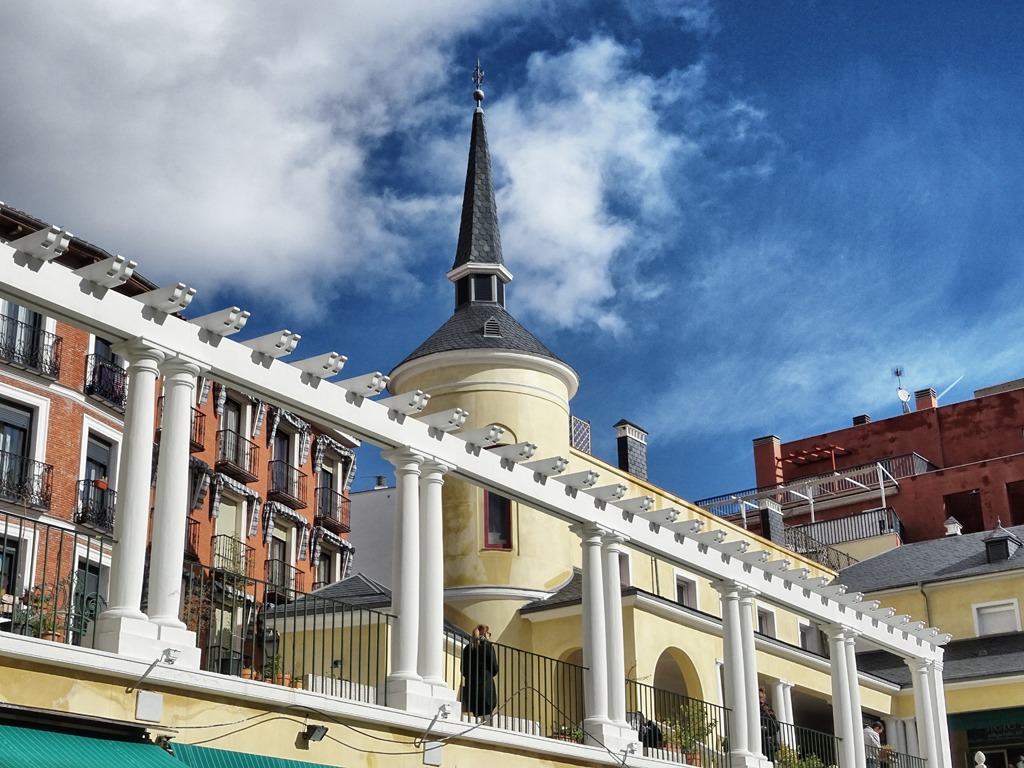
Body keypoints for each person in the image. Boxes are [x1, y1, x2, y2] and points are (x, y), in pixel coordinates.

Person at [461, 624, 498, 719]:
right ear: (485, 634)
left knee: (476, 710)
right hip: (485, 683)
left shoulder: (467, 648)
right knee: (487, 709)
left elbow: (463, 669)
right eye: (489, 633)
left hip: (471, 685)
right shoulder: (488, 646)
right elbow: (494, 667)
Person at [759, 687, 780, 760]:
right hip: (757, 740)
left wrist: (765, 729)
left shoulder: (769, 712)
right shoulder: (752, 710)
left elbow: (776, 727)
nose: (760, 703)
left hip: (767, 741)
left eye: (761, 701)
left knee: (769, 760)